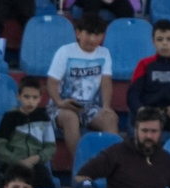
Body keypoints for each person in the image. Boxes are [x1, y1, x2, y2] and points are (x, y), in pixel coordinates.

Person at [45, 10, 117, 152]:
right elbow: (52, 82)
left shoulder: (104, 53)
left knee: (111, 118)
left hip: (91, 107)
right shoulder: (65, 52)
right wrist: (59, 102)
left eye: (97, 35)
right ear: (78, 33)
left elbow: (106, 82)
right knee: (70, 118)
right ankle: (79, 163)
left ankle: (111, 163)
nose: (92, 39)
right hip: (63, 106)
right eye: (88, 34)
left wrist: (106, 107)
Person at [125, 18, 170, 137]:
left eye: (169, 39)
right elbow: (133, 95)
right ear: (153, 42)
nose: (164, 43)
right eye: (160, 39)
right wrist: (142, 111)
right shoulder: (144, 64)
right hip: (148, 115)